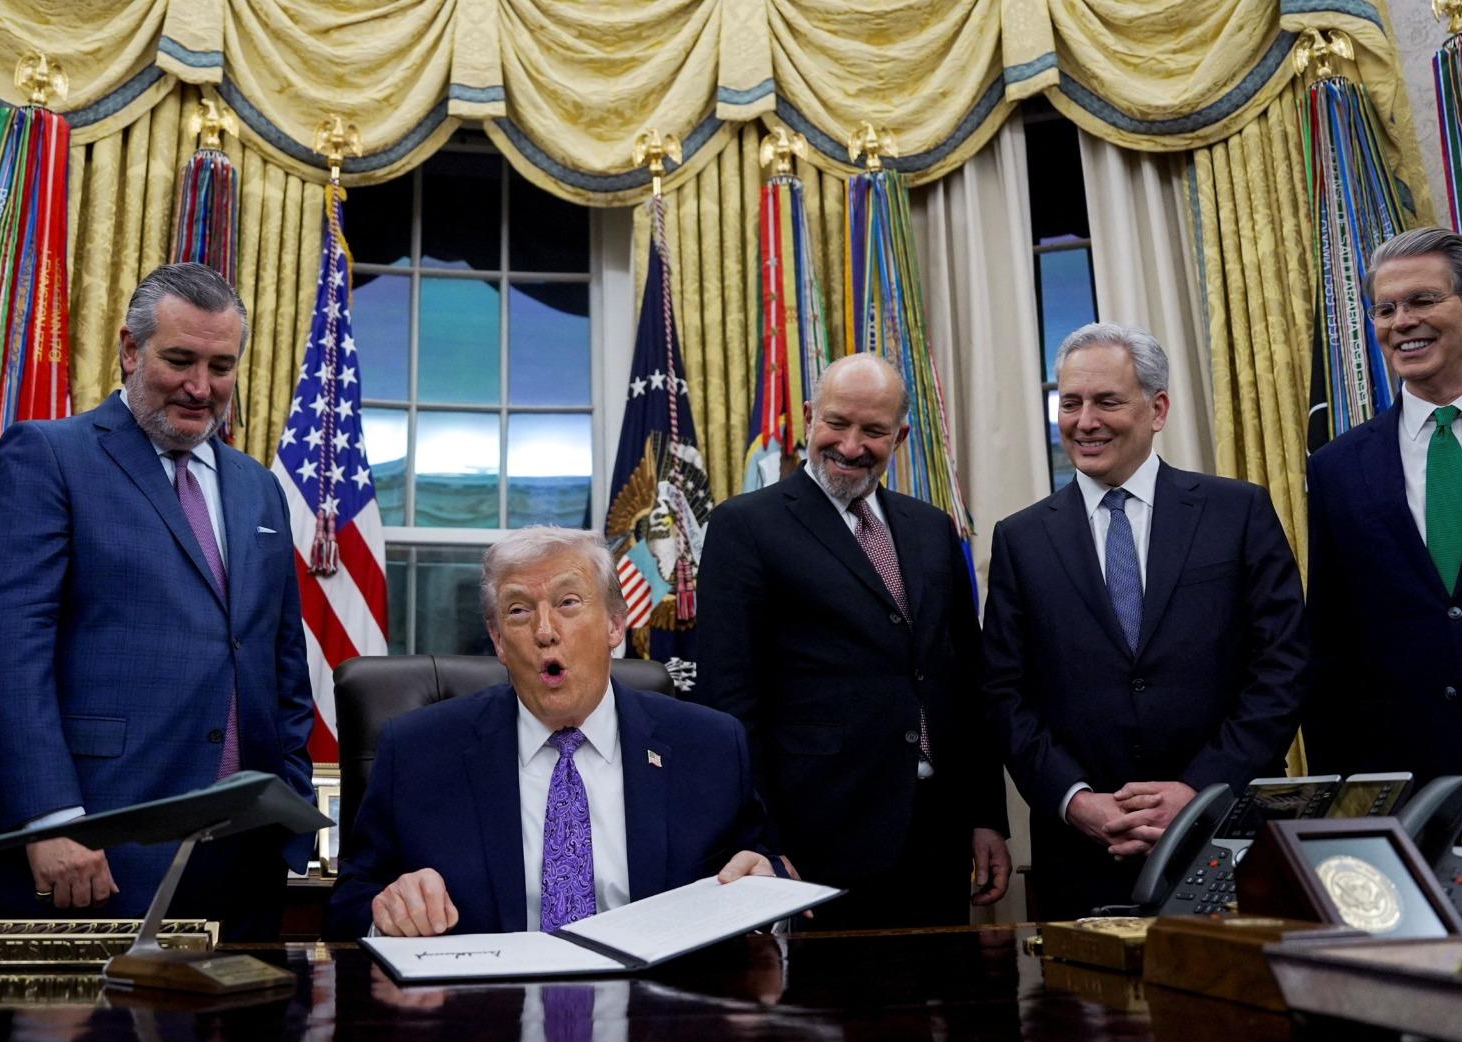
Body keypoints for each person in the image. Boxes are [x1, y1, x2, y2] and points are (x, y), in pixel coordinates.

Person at [0, 263, 315, 939]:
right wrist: (49, 819)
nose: (200, 387)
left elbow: (281, 660)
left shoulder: (258, 487)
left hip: (243, 861)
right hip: (93, 851)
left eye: (221, 367)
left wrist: (288, 800)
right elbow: (8, 652)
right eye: (179, 360)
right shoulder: (49, 456)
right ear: (130, 348)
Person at [981, 323, 1307, 920]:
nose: (1085, 421)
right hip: (1084, 855)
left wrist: (1200, 790)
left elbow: (1283, 664)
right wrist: (1076, 800)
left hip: (1229, 834)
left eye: (1106, 401)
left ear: (1157, 410)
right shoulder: (1020, 539)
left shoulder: (1237, 511)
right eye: (1070, 403)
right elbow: (1004, 692)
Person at [328, 526, 775, 938]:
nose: (544, 632)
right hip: (485, 996)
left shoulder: (709, 746)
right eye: (519, 610)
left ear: (615, 624)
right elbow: (350, 903)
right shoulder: (418, 752)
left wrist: (766, 886)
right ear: (499, 640)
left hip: (658, 996)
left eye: (568, 603)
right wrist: (387, 911)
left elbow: (760, 870)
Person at [693, 353, 1011, 930]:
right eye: (836, 423)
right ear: (809, 417)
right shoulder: (745, 526)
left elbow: (966, 681)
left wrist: (986, 816)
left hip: (936, 835)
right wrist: (763, 841)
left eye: (873, 431)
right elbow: (729, 700)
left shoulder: (932, 528)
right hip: (815, 839)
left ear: (900, 437)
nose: (850, 445)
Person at [1305, 228, 1462, 785]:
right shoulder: (1339, 466)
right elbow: (1330, 646)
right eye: (1385, 309)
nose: (1401, 322)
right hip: (1410, 784)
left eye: (1422, 300)